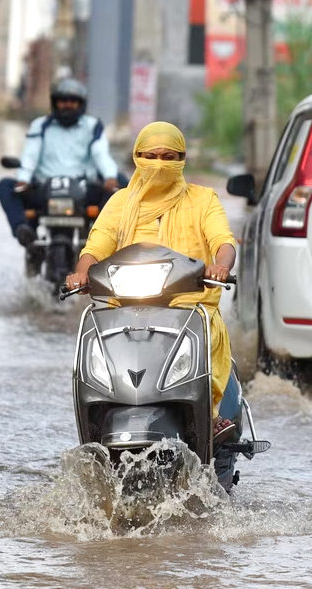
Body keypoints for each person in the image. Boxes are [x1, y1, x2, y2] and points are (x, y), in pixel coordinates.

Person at [64, 122, 238, 439]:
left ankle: (209, 415)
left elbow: (222, 241)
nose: (159, 164)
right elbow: (97, 245)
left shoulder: (203, 200)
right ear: (137, 157)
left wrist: (220, 266)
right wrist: (82, 271)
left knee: (208, 330)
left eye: (169, 156)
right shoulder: (120, 202)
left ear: (182, 159)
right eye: (151, 156)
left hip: (190, 306)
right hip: (124, 305)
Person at [0, 78, 121, 275]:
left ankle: (101, 236)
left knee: (123, 187)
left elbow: (101, 154)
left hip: (83, 189)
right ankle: (23, 231)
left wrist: (110, 176)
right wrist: (24, 178)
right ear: (55, 103)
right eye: (63, 101)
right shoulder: (40, 125)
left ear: (81, 104)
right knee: (4, 186)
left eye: (73, 101)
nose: (67, 105)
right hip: (43, 189)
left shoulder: (92, 125)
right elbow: (30, 154)